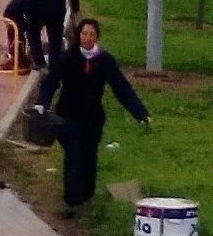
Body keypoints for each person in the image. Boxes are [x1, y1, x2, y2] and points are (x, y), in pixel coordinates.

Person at [35, 18, 150, 217]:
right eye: (84, 33)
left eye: (91, 34)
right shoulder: (68, 57)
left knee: (89, 156)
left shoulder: (104, 60)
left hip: (92, 119)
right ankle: (71, 201)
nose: (87, 38)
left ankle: (86, 196)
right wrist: (42, 103)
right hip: (67, 116)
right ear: (78, 35)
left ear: (97, 37)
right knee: (73, 154)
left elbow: (121, 88)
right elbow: (51, 81)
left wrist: (140, 113)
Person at [27, 0, 80, 72]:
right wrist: (75, 10)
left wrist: (29, 13)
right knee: (55, 39)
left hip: (40, 12)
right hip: (57, 12)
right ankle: (54, 66)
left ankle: (39, 62)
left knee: (33, 33)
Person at [1, 0, 30, 72]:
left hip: (15, 14)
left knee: (18, 36)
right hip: (12, 15)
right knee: (17, 36)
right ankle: (16, 60)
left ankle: (19, 58)